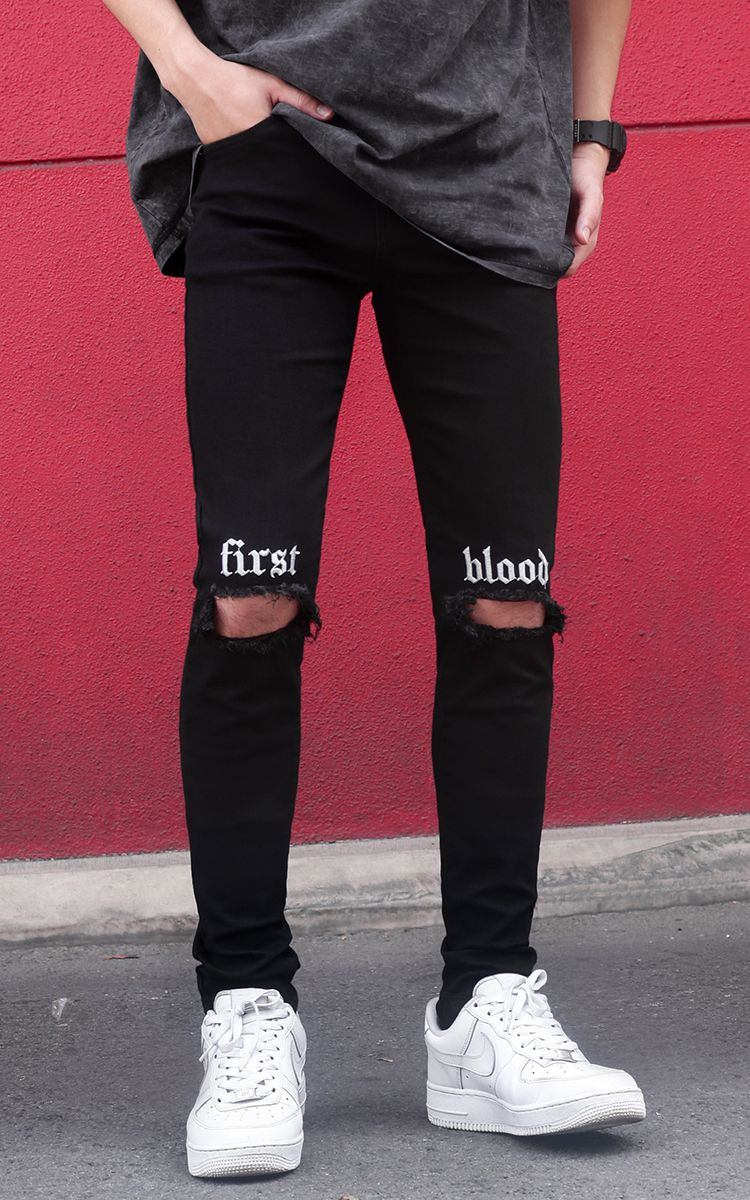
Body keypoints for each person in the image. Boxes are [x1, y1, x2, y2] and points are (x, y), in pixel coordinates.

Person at [104, 0, 645, 1178]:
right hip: (269, 152)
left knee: (506, 598)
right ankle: (247, 1001)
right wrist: (188, 67)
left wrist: (591, 128)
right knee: (251, 595)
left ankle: (486, 999)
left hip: (488, 156)